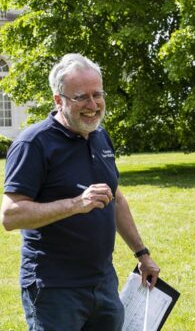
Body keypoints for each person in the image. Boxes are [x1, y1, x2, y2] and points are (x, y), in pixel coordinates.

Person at [0, 53, 160, 330]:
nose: (93, 104)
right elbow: (11, 216)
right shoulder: (33, 144)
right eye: (81, 97)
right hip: (54, 289)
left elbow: (116, 199)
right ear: (58, 100)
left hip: (103, 282)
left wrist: (142, 254)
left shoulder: (100, 136)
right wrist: (76, 203)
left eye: (97, 94)